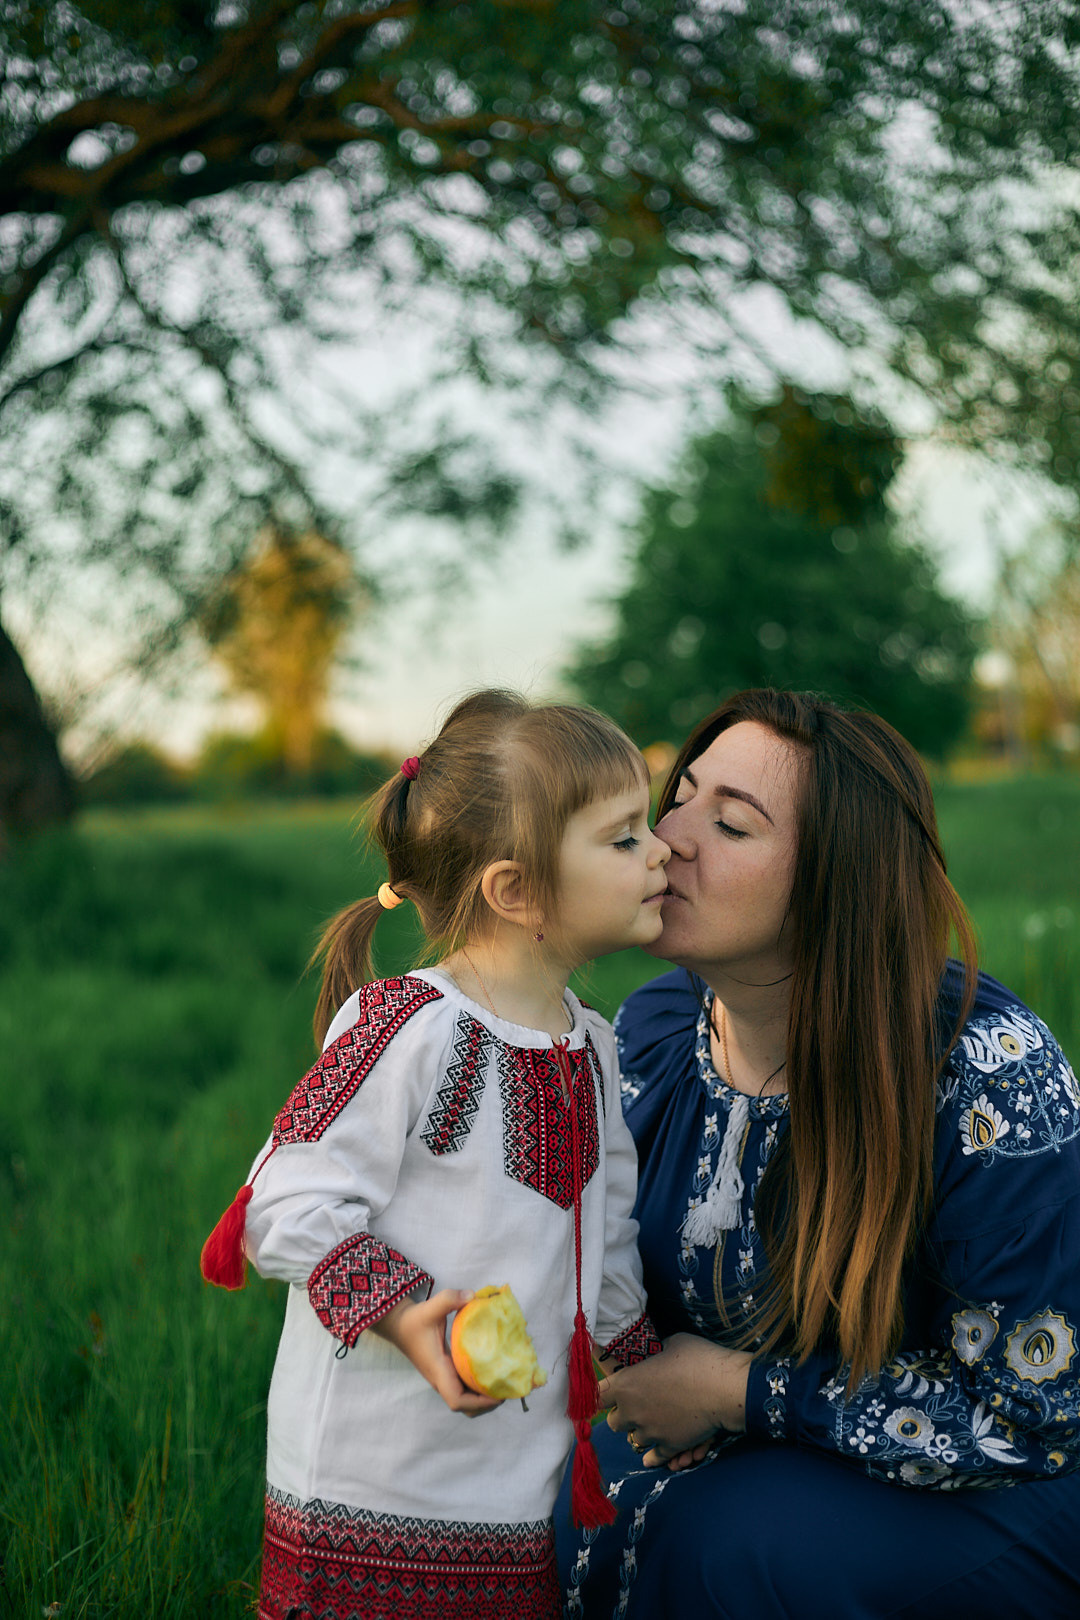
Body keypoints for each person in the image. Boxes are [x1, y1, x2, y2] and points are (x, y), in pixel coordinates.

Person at [556, 688, 1080, 1619]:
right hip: (755, 1455)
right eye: (679, 795)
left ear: (837, 884)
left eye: (731, 824)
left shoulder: (987, 1073)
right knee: (543, 1493)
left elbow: (1028, 1418)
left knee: (728, 1544)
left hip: (995, 1490)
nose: (667, 839)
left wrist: (741, 1391)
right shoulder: (654, 1029)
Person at [200, 689, 672, 1620]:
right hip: (370, 1484)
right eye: (623, 839)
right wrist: (409, 1314)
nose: (660, 852)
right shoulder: (410, 1025)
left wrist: (639, 1369)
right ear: (516, 890)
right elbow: (280, 1203)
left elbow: (605, 1237)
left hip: (515, 1480)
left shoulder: (593, 1043)